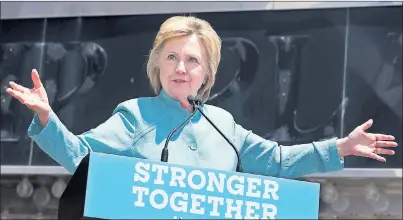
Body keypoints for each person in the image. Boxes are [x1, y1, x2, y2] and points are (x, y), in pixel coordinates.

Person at [6, 16, 397, 178]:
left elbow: (277, 160)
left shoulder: (222, 125)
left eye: (192, 60)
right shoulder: (135, 115)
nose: (181, 68)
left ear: (207, 73)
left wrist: (340, 147)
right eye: (172, 58)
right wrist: (46, 118)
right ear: (157, 66)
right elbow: (80, 157)